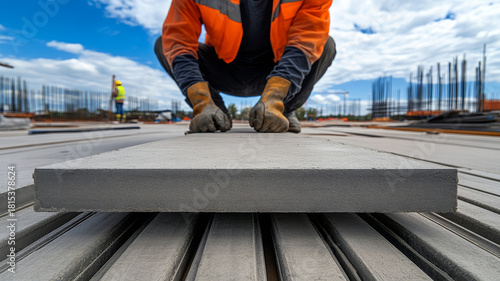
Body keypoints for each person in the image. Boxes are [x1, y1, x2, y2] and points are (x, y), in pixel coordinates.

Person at [155, 0, 336, 133]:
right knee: (166, 44)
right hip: (224, 68)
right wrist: (202, 103)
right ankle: (214, 111)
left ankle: (284, 109)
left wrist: (275, 97)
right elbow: (179, 40)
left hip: (277, 71)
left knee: (324, 45)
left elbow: (307, 39)